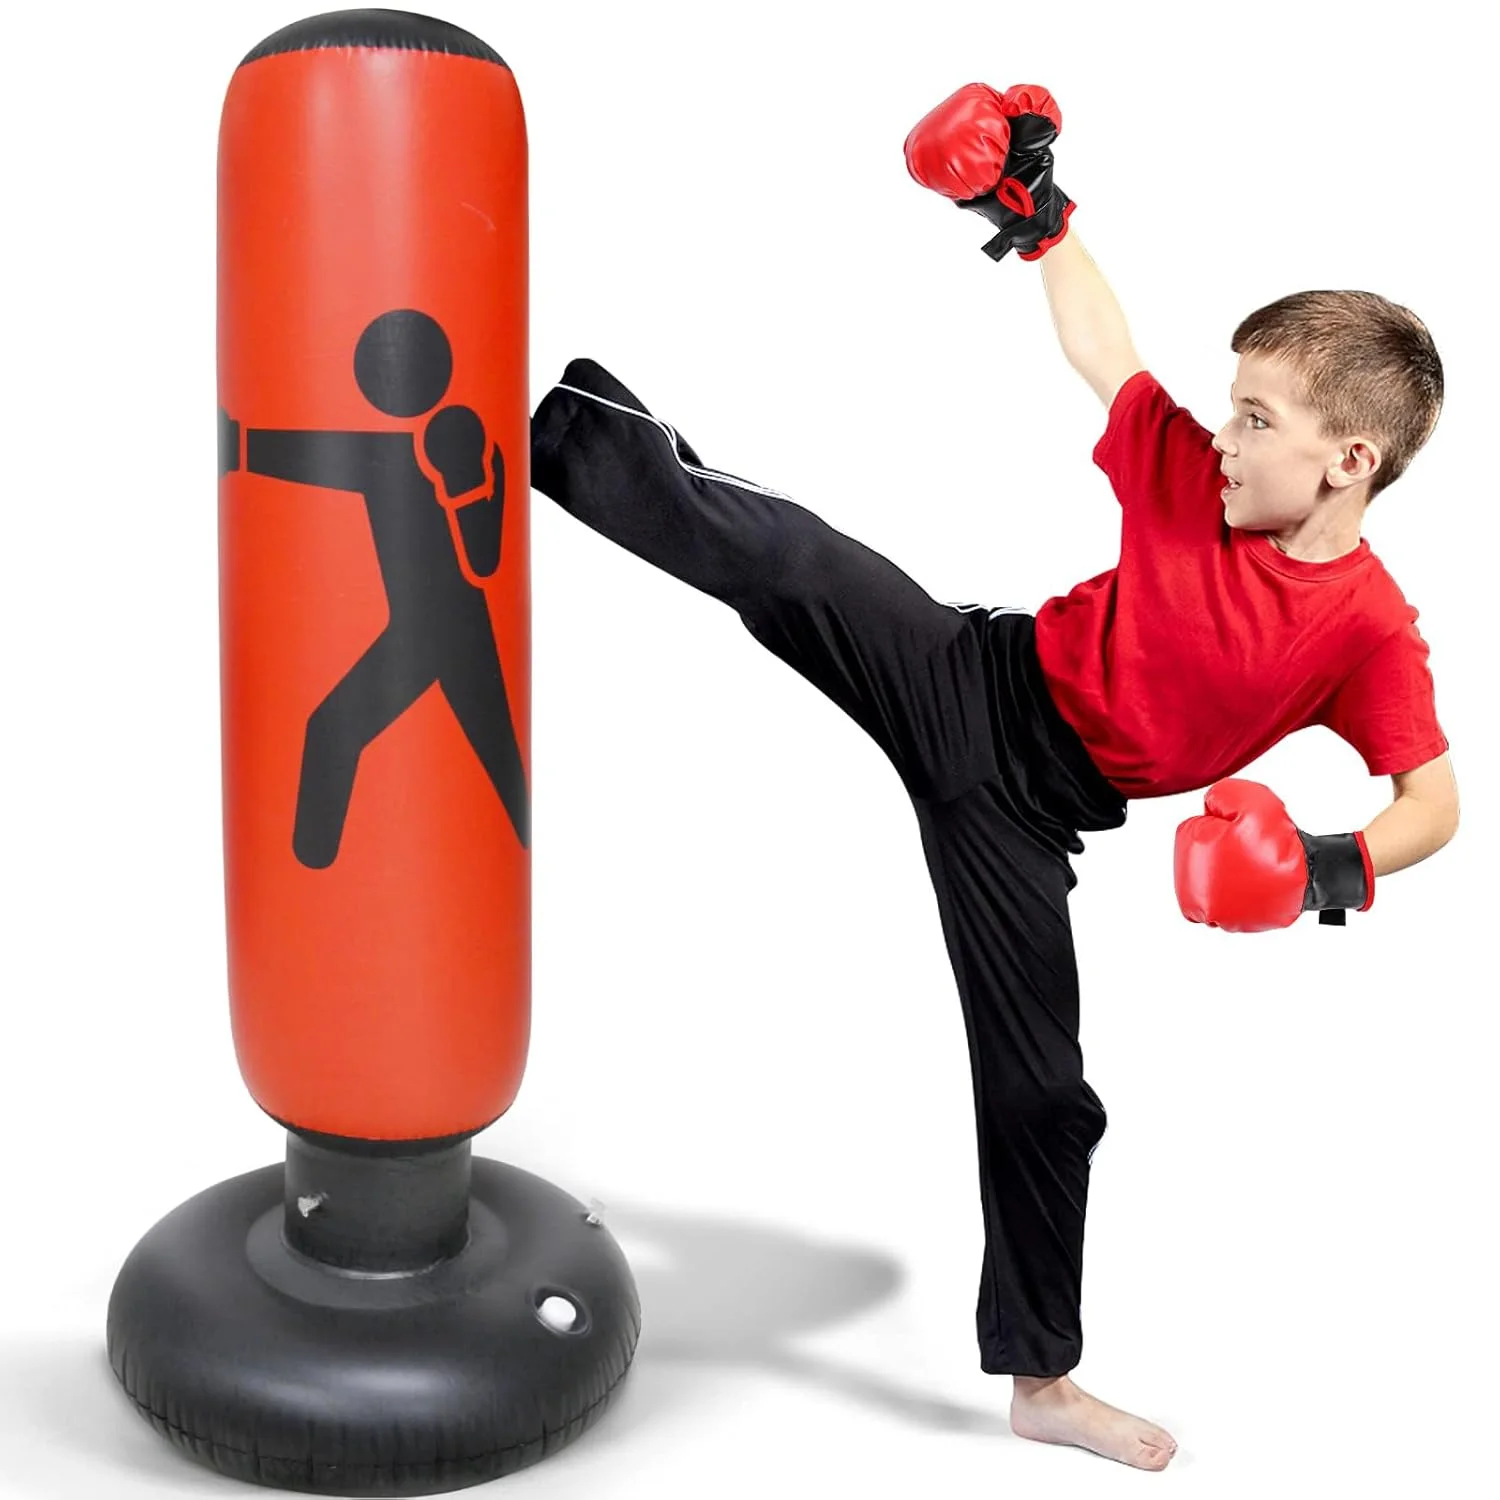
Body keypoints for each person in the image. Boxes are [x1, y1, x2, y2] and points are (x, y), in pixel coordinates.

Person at [528, 82, 1459, 1471]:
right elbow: (1107, 350)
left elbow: (1433, 804)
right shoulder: (1189, 477)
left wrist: (1329, 868)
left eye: (1257, 419)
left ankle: (1043, 1382)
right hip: (968, 676)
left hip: (1025, 820)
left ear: (1350, 462)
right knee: (787, 561)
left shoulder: (1367, 633)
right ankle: (535, 428)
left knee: (1043, 1100)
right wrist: (1042, 217)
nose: (1223, 434)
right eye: (1231, 407)